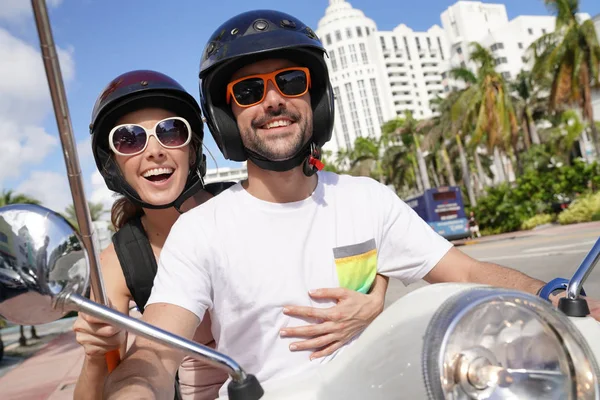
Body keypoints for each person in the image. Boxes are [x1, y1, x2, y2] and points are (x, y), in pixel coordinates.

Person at [103, 10, 600, 399]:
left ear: (315, 99)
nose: (273, 100)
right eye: (250, 90)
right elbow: (156, 351)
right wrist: (134, 388)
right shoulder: (202, 230)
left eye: (291, 82)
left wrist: (553, 292)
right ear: (227, 117)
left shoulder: (366, 198)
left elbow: (465, 274)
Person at [72, 69, 388, 400]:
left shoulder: (247, 202)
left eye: (171, 131)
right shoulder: (118, 263)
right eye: (130, 138)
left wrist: (375, 295)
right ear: (112, 164)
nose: (154, 151)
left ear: (192, 149)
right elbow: (124, 376)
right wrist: (96, 356)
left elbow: (355, 235)